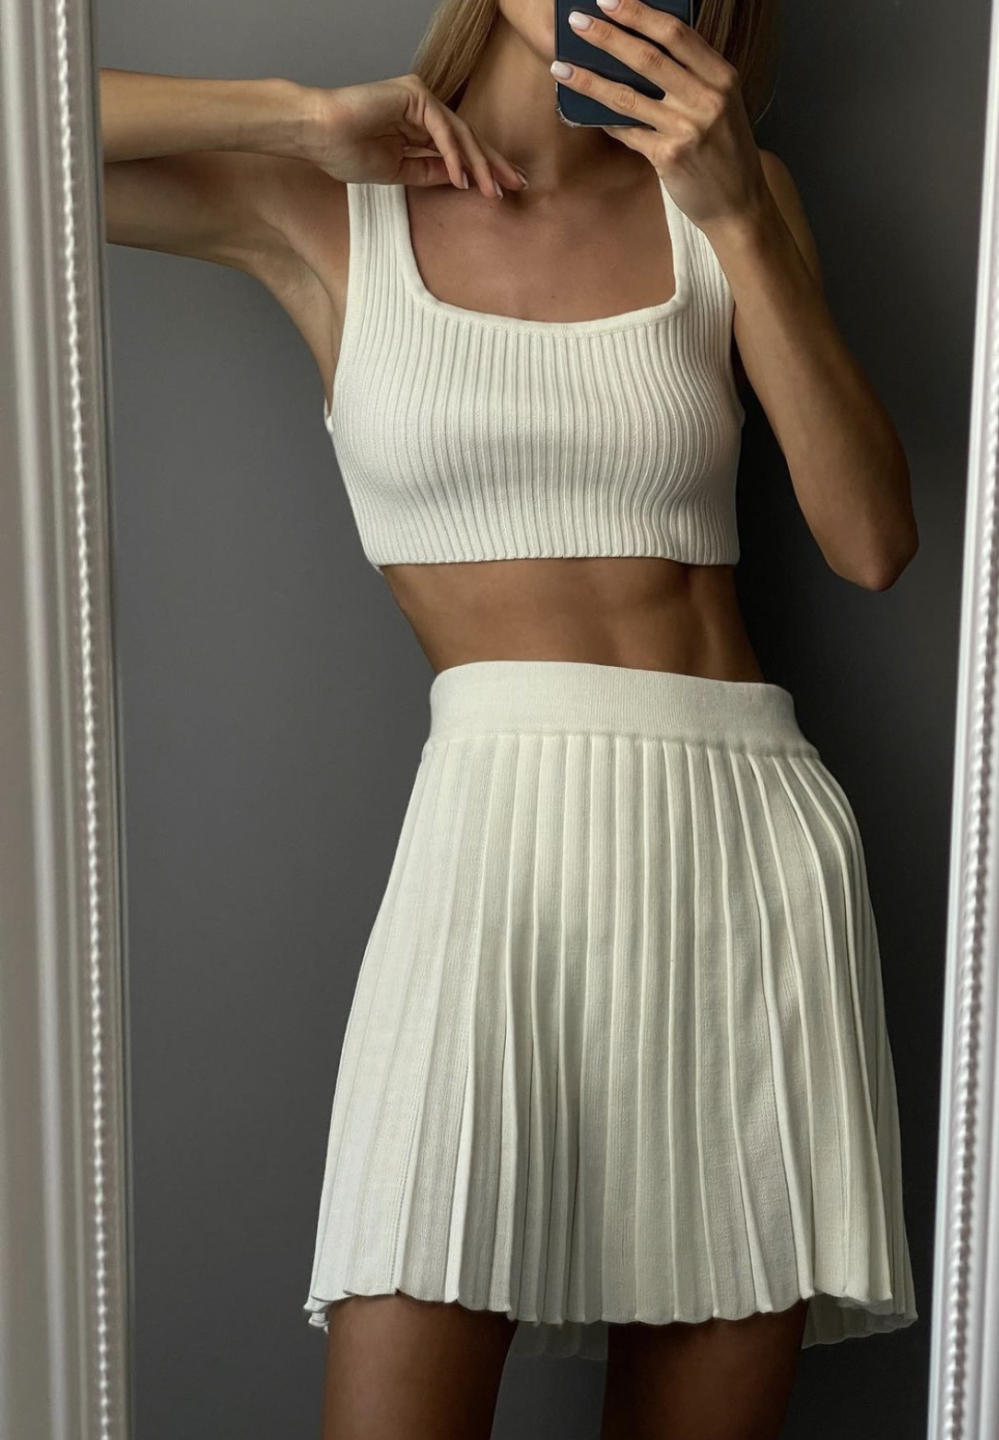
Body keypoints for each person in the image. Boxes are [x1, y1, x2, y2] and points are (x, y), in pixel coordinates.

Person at [101, 0, 919, 1435]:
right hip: (488, 857)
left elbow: (870, 543)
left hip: (740, 859)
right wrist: (299, 115)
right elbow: (27, 125)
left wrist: (737, 214)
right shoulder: (319, 205)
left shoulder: (729, 198)